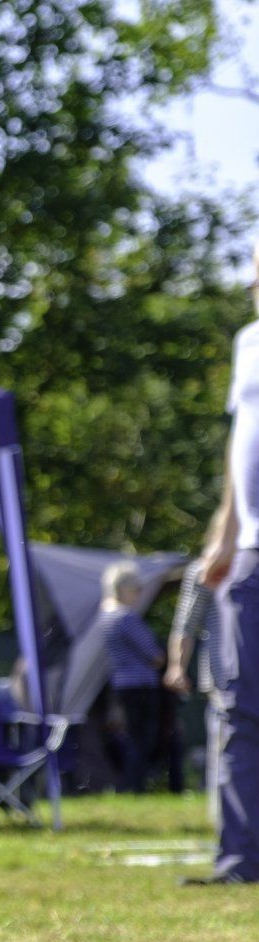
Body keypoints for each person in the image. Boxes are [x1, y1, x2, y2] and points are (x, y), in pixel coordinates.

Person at [200, 240, 259, 884]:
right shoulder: (248, 342)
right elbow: (240, 440)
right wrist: (224, 529)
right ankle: (241, 859)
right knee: (239, 705)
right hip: (250, 553)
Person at [169, 514, 230, 825]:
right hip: (224, 676)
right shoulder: (204, 570)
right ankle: (228, 827)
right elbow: (186, 623)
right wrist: (176, 666)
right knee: (227, 753)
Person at [99, 562, 164, 794]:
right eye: (136, 589)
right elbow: (154, 655)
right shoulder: (126, 617)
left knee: (131, 736)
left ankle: (131, 784)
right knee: (142, 738)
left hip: (121, 684)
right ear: (123, 589)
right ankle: (136, 785)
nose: (138, 594)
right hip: (140, 685)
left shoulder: (105, 616)